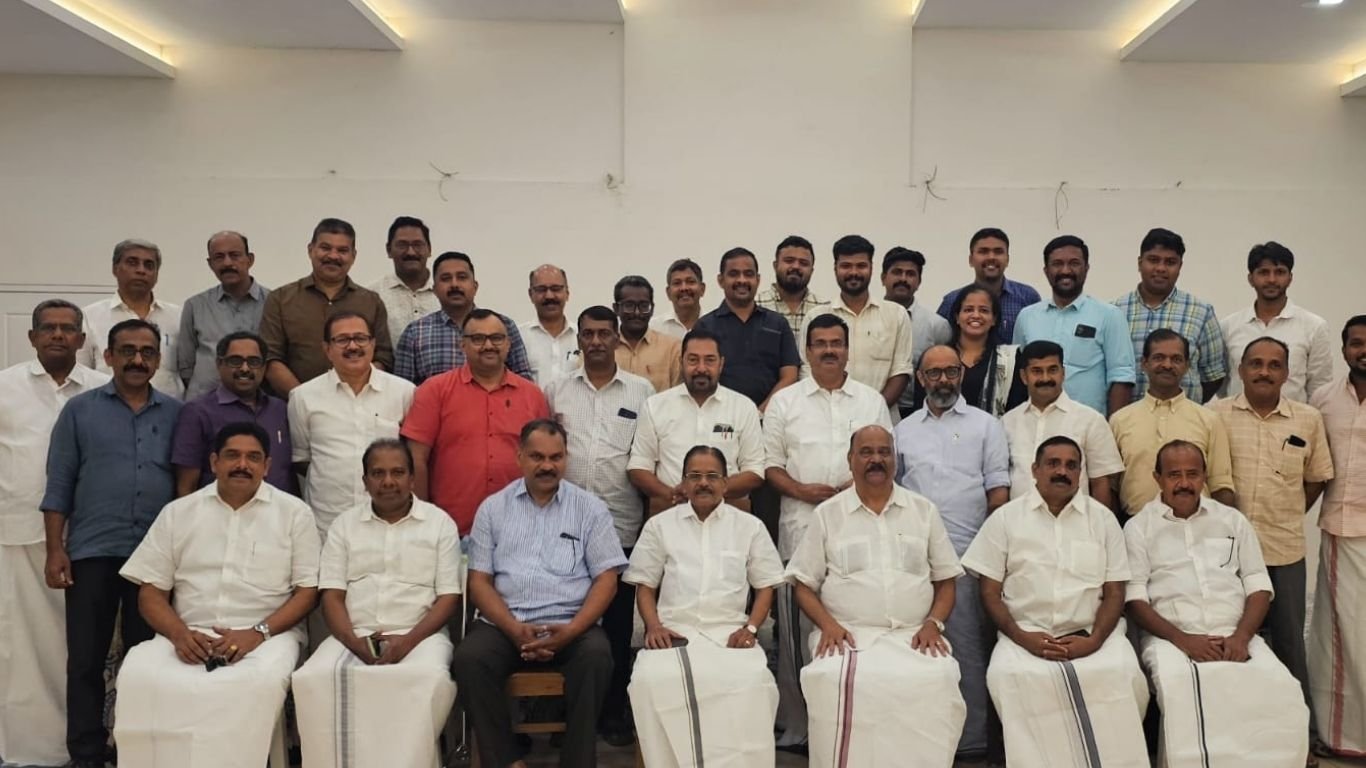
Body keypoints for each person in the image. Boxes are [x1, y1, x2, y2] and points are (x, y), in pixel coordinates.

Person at [113, 422, 320, 768]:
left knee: (250, 683)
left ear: (267, 466)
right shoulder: (179, 513)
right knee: (140, 674)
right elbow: (150, 592)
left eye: (253, 457)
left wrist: (257, 633)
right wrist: (179, 635)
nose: (242, 465)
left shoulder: (294, 514)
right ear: (214, 462)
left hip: (267, 637)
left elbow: (307, 592)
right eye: (232, 455)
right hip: (188, 634)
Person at [41, 318, 182, 768]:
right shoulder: (79, 411)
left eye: (147, 352)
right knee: (86, 659)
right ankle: (85, 754)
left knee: (147, 662)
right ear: (108, 356)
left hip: (154, 558)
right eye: (127, 351)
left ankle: (135, 752)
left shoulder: (176, 413)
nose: (137, 360)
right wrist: (55, 549)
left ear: (158, 360)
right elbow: (59, 483)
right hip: (92, 551)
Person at [786, 425, 966, 767]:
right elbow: (803, 585)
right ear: (850, 460)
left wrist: (934, 624)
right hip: (848, 635)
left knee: (940, 678)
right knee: (829, 679)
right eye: (866, 452)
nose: (876, 459)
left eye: (884, 452)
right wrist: (828, 625)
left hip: (914, 635)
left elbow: (946, 580)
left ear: (894, 459)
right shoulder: (828, 514)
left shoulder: (923, 511)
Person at [451, 420, 628, 768]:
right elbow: (479, 581)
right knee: (470, 659)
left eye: (555, 457)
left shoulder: (590, 509)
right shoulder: (493, 508)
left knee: (597, 657)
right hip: (505, 623)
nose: (547, 465)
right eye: (537, 457)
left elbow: (607, 579)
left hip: (570, 622)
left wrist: (572, 630)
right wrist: (514, 629)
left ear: (566, 458)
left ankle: (577, 762)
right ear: (519, 457)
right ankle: (506, 761)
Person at [962, 436, 1147, 768]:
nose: (1062, 471)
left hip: (1094, 636)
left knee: (1125, 675)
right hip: (1024, 636)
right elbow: (989, 592)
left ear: (1080, 473)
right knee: (1007, 676)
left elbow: (1115, 592)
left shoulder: (1103, 520)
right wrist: (1023, 638)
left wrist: (1094, 641)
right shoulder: (1006, 519)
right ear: (1034, 470)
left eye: (1071, 465)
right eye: (1053, 464)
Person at [1124, 440, 1310, 767]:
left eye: (1193, 474)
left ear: (1205, 476)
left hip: (1236, 632)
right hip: (1172, 638)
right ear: (1158, 478)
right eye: (1174, 475)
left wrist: (1241, 637)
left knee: (1282, 687)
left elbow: (1258, 586)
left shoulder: (1232, 520)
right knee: (1182, 688)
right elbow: (1135, 599)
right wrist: (1184, 640)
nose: (1184, 483)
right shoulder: (1139, 528)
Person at [762, 313, 892, 749]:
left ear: (848, 350)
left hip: (858, 529)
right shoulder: (785, 403)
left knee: (851, 626)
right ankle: (798, 725)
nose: (829, 350)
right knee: (795, 636)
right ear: (807, 351)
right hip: (799, 527)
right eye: (820, 344)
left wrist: (853, 490)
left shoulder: (870, 401)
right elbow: (769, 464)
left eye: (837, 343)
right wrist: (801, 490)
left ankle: (847, 722)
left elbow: (885, 460)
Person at [293, 439, 460, 768]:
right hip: (355, 634)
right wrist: (354, 642)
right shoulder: (344, 525)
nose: (388, 482)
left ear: (412, 478)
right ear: (365, 480)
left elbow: (448, 598)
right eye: (378, 473)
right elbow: (332, 595)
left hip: (421, 636)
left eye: (397, 472)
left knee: (428, 678)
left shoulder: (439, 523)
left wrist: (407, 642)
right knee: (313, 678)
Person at [625, 446, 785, 766]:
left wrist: (751, 628)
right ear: (683, 482)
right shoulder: (660, 525)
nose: (703, 483)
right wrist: (653, 626)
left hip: (730, 634)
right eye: (695, 476)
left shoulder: (749, 526)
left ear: (725, 483)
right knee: (649, 680)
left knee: (755, 681)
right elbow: (645, 585)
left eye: (712, 476)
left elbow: (765, 586)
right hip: (674, 632)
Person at [0, 300, 107, 767]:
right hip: (21, 533)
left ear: (82, 339)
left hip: (90, 538)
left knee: (83, 650)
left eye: (68, 329)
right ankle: (30, 750)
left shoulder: (102, 389)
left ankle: (85, 741)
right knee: (22, 649)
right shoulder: (4, 388)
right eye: (49, 328)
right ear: (32, 337)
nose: (58, 335)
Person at [1209, 336, 1333, 736]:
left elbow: (1316, 479)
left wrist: (1287, 512)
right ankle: (1237, 733)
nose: (1264, 372)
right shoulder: (1217, 415)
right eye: (1256, 364)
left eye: (1274, 365)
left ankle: (1302, 736)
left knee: (1289, 643)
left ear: (1287, 373)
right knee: (1228, 639)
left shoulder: (1307, 419)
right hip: (1225, 555)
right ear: (1241, 370)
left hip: (1284, 549)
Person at [543, 306, 654, 746]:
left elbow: (648, 455)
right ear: (579, 340)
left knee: (618, 627)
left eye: (603, 334)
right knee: (566, 618)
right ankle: (565, 714)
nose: (595, 342)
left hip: (620, 522)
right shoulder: (556, 390)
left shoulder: (642, 392)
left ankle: (613, 712)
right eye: (587, 334)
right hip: (563, 526)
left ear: (616, 338)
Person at [894, 344, 1010, 757]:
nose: (943, 380)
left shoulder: (986, 426)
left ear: (961, 374)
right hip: (913, 557)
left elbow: (998, 493)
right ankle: (924, 736)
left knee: (966, 647)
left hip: (967, 555)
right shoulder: (903, 430)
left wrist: (987, 553)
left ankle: (972, 742)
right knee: (915, 647)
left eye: (951, 372)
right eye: (934, 373)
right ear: (920, 378)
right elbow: (894, 490)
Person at [401, 308, 549, 535]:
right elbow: (416, 459)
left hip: (519, 529)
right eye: (478, 338)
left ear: (508, 344)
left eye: (496, 338)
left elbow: (544, 460)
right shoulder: (435, 390)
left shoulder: (532, 395)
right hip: (450, 529)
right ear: (463, 345)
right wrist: (422, 520)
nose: (488, 345)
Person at [288, 313, 415, 535]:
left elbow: (413, 456)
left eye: (360, 338)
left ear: (373, 344)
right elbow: (303, 459)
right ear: (327, 349)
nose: (353, 346)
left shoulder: (404, 392)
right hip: (327, 524)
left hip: (389, 523)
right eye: (342, 340)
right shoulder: (303, 397)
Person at [1308, 314, 1366, 757]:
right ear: (1344, 349)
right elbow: (1312, 463)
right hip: (1337, 531)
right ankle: (1340, 738)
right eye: (1357, 343)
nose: (1364, 351)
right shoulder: (1322, 399)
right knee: (1336, 639)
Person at [627, 329, 765, 515]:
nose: (701, 368)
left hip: (729, 516)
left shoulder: (743, 407)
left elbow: (755, 471)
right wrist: (672, 494)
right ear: (681, 362)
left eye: (709, 360)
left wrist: (710, 491)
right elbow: (638, 467)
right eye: (693, 360)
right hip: (671, 514)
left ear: (721, 364)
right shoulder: (655, 406)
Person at [260, 218, 393, 395]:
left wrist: (356, 396)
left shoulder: (371, 302)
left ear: (353, 256)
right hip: (295, 404)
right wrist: (303, 400)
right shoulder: (280, 299)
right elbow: (270, 358)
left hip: (360, 405)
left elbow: (383, 357)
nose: (333, 256)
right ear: (310, 250)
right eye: (325, 248)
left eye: (342, 250)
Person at [1110, 328, 1236, 515]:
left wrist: (1224, 527)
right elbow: (1111, 486)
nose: (1167, 365)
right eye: (1159, 358)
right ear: (1144, 363)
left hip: (1197, 525)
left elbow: (1221, 485)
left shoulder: (1209, 420)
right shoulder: (1120, 420)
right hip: (1135, 525)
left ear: (1186, 366)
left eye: (1176, 359)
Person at [1013, 235, 1136, 415]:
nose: (1066, 270)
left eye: (1074, 263)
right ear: (1046, 271)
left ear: (1086, 268)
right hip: (1036, 423)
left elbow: (1121, 376)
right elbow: (1019, 375)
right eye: (1057, 264)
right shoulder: (1027, 317)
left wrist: (1113, 425)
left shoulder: (1109, 315)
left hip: (1088, 425)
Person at [1002, 340, 1124, 510]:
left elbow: (1100, 483)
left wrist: (1099, 524)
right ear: (1023, 376)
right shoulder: (1007, 422)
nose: (1045, 378)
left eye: (1052, 370)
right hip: (1019, 522)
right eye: (1037, 371)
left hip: (1075, 522)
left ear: (1063, 373)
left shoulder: (1090, 420)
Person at [801, 235, 915, 412]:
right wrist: (833, 412)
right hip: (825, 417)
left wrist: (872, 412)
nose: (853, 272)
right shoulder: (815, 316)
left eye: (861, 266)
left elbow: (900, 372)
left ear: (871, 268)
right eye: (846, 266)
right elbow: (807, 370)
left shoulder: (896, 315)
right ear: (835, 269)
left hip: (880, 420)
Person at [171, 331, 293, 496]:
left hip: (276, 510)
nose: (245, 368)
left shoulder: (280, 409)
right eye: (235, 361)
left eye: (253, 362)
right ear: (219, 364)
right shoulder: (197, 412)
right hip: (219, 510)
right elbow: (186, 485)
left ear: (264, 368)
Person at [1114, 227, 1227, 403]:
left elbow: (1213, 376)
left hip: (1183, 417)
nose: (1161, 268)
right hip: (1127, 417)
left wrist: (1186, 406)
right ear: (1140, 263)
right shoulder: (1115, 311)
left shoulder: (1201, 312)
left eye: (1170, 262)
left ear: (1180, 266)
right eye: (1153, 260)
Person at [393, 251, 532, 385]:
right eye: (446, 279)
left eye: (462, 277)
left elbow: (523, 381)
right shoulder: (415, 333)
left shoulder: (504, 326)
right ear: (434, 289)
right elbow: (402, 391)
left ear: (475, 286)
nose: (454, 284)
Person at [1221, 241, 1335, 403]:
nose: (1272, 279)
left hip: (1294, 418)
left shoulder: (1314, 326)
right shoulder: (1228, 326)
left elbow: (1319, 386)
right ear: (1251, 278)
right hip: (1238, 417)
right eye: (1264, 272)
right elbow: (1223, 383)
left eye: (1280, 272)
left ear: (1290, 278)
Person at [696, 247, 800, 409]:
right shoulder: (705, 326)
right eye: (734, 274)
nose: (742, 280)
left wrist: (761, 412)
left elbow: (790, 375)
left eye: (748, 274)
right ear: (720, 280)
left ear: (758, 279)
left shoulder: (778, 324)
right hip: (719, 417)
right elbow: (701, 375)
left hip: (770, 417)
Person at [80, 238, 183, 399]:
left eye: (149, 265)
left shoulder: (178, 317)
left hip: (167, 410)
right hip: (106, 408)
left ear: (156, 274)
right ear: (115, 269)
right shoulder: (89, 316)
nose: (141, 270)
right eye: (132, 263)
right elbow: (81, 373)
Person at [177, 231, 270, 400]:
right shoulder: (195, 306)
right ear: (210, 264)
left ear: (250, 259)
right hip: (205, 405)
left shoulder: (273, 303)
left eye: (234, 255)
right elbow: (185, 365)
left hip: (257, 404)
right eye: (219, 257)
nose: (227, 263)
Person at [914, 284, 1025, 417]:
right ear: (957, 317)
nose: (976, 315)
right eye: (968, 310)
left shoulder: (1009, 359)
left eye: (984, 310)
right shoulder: (937, 357)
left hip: (996, 428)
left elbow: (1017, 409)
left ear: (994, 319)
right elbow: (921, 405)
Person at [935, 227, 1041, 344]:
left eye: (998, 251)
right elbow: (940, 343)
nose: (991, 257)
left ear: (1007, 259)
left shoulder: (1028, 297)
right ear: (971, 260)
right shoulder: (952, 300)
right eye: (983, 251)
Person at [881, 246, 951, 417]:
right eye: (897, 272)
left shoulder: (936, 325)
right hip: (874, 409)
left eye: (910, 274)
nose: (903, 279)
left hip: (918, 413)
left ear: (919, 282)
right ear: (883, 278)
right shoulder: (868, 319)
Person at [368, 215, 440, 345]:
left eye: (418, 245)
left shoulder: (445, 292)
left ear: (429, 249)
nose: (411, 252)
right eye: (402, 245)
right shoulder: (372, 295)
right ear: (389, 250)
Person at [612, 275, 681, 393]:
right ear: (616, 309)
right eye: (629, 305)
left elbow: (678, 394)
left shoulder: (672, 348)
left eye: (644, 306)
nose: (637, 312)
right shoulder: (603, 348)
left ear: (652, 309)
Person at [757, 234, 828, 340]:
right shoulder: (756, 306)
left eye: (803, 263)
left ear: (812, 270)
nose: (796, 266)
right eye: (789, 261)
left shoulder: (825, 309)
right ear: (775, 266)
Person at [521, 264, 579, 385]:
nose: (549, 296)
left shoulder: (582, 336)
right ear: (530, 295)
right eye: (541, 289)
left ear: (567, 293)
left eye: (556, 289)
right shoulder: (518, 338)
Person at [651, 258, 707, 339]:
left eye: (690, 282)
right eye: (677, 283)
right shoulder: (654, 328)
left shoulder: (716, 325)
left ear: (702, 289)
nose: (684, 288)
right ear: (668, 292)